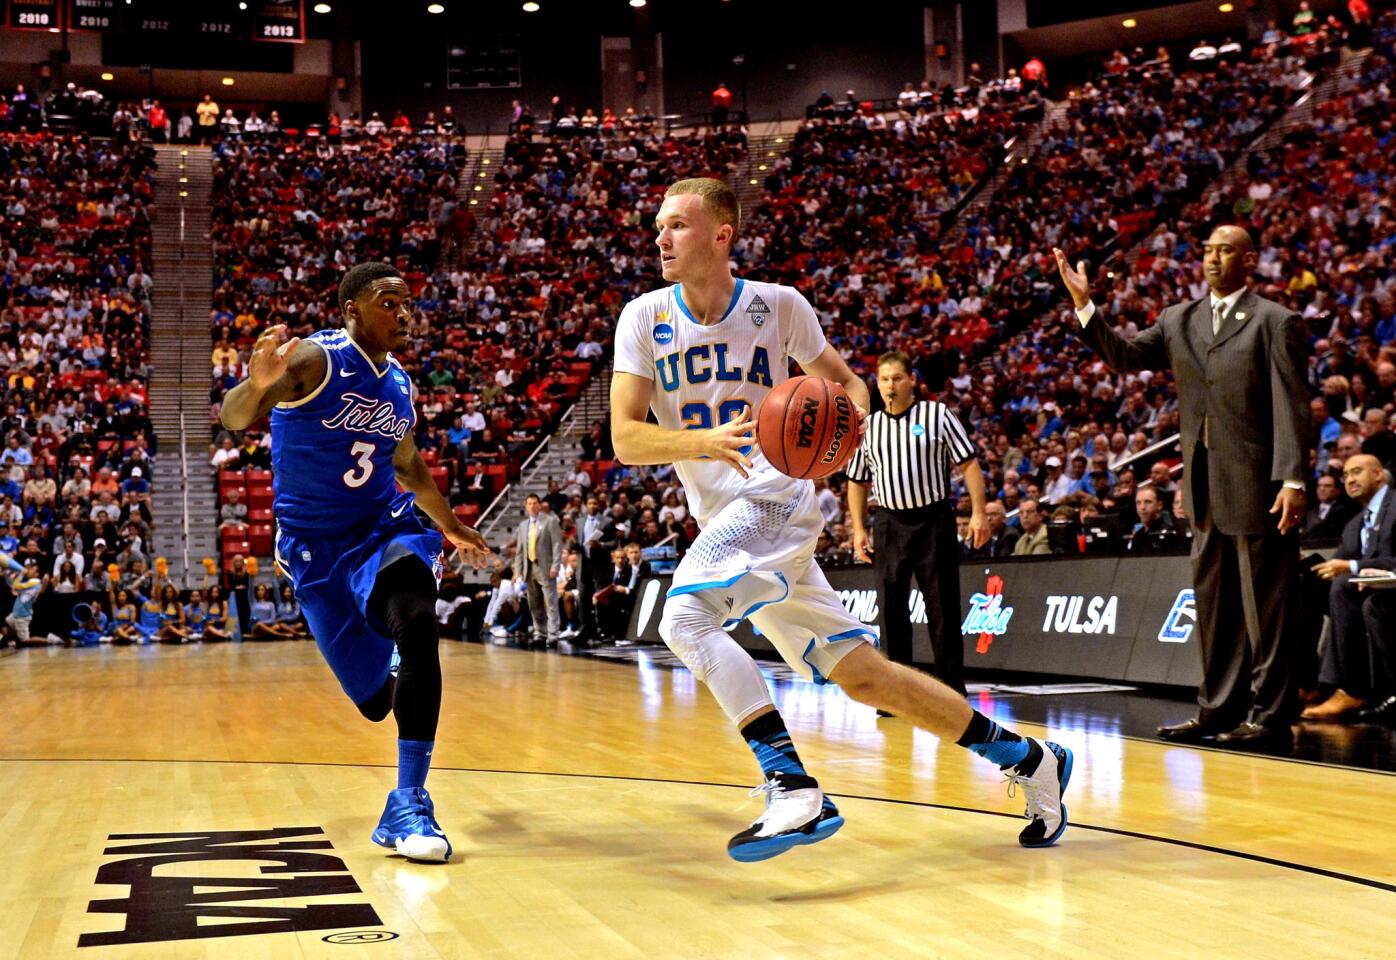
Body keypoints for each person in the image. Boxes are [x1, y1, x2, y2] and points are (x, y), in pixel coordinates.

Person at [611, 178, 1072, 862]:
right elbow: (624, 437)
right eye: (659, 227)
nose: (662, 238)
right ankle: (1031, 759)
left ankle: (792, 785)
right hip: (721, 514)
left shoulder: (779, 307)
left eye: (677, 225)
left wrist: (843, 430)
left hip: (775, 499)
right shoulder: (645, 317)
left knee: (683, 621)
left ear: (720, 235)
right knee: (864, 677)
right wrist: (698, 443)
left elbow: (849, 387)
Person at [219, 261, 491, 863]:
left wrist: (448, 525)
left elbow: (407, 466)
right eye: (388, 302)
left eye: (407, 303)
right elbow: (235, 418)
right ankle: (389, 658)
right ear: (351, 309)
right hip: (315, 549)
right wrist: (257, 384)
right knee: (375, 703)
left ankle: (408, 803)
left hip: (384, 528)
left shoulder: (398, 384)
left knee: (420, 624)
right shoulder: (318, 361)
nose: (403, 313)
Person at [1056, 226, 1308, 749]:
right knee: (1214, 604)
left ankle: (1270, 716)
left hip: (1258, 482)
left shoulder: (1275, 321)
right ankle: (1217, 709)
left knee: (1266, 606)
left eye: (1226, 251)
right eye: (1209, 250)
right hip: (1202, 483)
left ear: (1249, 260)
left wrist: (1293, 477)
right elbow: (1124, 357)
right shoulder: (1178, 318)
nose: (1214, 259)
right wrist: (1086, 308)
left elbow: (1291, 406)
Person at [847, 351, 987, 696]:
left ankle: (951, 691)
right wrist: (859, 528)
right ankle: (897, 694)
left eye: (896, 378)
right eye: (884, 379)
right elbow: (857, 481)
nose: (890, 385)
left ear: (912, 380)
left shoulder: (936, 415)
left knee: (943, 608)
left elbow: (969, 464)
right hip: (889, 523)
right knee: (892, 613)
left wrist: (980, 513)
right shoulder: (870, 427)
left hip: (933, 521)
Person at [1306, 455, 1396, 722]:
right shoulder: (1355, 523)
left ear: (1379, 474)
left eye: (1357, 472)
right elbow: (1340, 561)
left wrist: (1353, 566)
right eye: (1346, 476)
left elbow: (1352, 564)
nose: (1350, 480)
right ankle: (1309, 684)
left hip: (1388, 588)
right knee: (1306, 586)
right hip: (1365, 588)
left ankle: (1352, 689)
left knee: (1345, 588)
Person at [512, 494, 563, 646]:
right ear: (525, 506)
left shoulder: (551, 521)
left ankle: (553, 635)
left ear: (540, 505)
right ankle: (539, 633)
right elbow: (520, 550)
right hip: (529, 567)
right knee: (534, 603)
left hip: (546, 567)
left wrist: (556, 565)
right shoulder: (522, 526)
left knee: (550, 602)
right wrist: (517, 570)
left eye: (535, 503)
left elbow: (557, 545)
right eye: (529, 503)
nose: (532, 506)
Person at [1304, 472, 1357, 541]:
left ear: (1337, 491)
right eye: (1319, 486)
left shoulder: (1345, 512)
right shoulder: (1310, 513)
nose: (1322, 489)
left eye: (1327, 486)